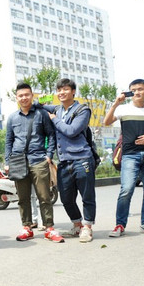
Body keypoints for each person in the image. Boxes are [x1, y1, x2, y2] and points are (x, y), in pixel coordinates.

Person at [104, 79, 144, 237]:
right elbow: (106, 122)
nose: (137, 92)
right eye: (134, 90)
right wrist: (116, 103)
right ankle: (120, 225)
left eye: (140, 89)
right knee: (126, 189)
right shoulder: (123, 109)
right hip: (130, 155)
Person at [5, 82, 63, 243]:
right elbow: (9, 141)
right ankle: (27, 227)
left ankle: (49, 228)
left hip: (38, 160)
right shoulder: (12, 118)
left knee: (44, 196)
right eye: (20, 95)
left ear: (32, 96)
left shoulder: (41, 114)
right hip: (18, 161)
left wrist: (49, 155)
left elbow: (51, 135)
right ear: (16, 98)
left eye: (26, 95)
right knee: (23, 198)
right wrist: (7, 161)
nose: (24, 98)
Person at [42, 78, 96, 243]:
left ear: (73, 92)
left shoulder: (83, 110)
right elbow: (38, 106)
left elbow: (71, 130)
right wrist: (39, 101)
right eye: (59, 90)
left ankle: (87, 227)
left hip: (82, 158)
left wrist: (54, 119)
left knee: (87, 196)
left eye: (65, 89)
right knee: (65, 197)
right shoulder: (57, 109)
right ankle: (77, 225)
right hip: (64, 161)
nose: (62, 93)